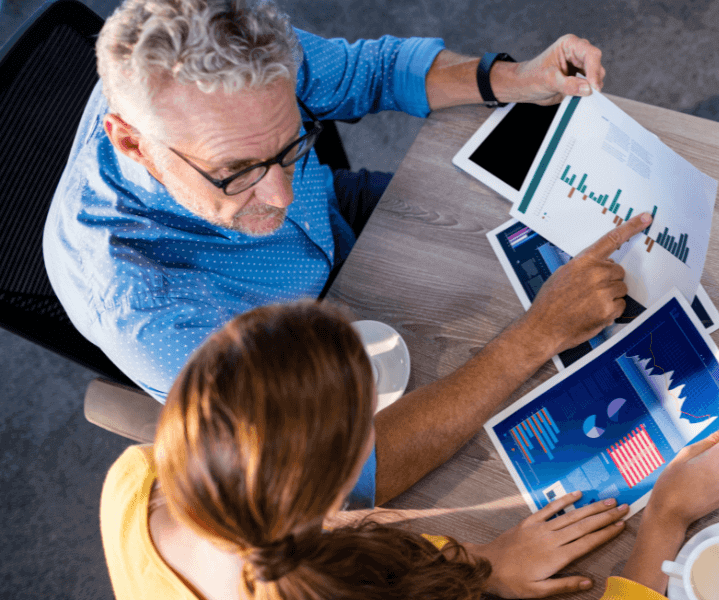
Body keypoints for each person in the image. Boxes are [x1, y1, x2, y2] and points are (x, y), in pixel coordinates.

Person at [43, 0, 610, 401]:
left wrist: (518, 78)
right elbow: (343, 468)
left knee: (555, 221)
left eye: (291, 148)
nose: (282, 194)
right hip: (291, 367)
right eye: (236, 172)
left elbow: (375, 70)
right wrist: (532, 340)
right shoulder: (141, 307)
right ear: (131, 142)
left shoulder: (235, 58)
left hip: (344, 217)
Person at [100, 301, 719, 599]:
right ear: (337, 489)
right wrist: (665, 519)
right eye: (369, 423)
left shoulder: (135, 482)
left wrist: (486, 565)